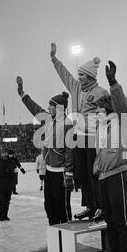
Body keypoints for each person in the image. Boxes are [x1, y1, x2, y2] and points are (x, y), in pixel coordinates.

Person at [50, 42, 108, 221]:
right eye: (79, 75)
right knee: (82, 174)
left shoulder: (101, 92)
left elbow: (109, 113)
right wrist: (54, 59)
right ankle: (90, 206)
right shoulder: (76, 88)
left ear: (90, 76)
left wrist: (101, 125)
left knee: (94, 173)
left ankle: (101, 206)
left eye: (81, 75)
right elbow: (65, 75)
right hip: (78, 138)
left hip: (93, 138)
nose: (79, 78)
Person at [92, 60, 127, 252]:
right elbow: (101, 154)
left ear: (107, 109)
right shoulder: (101, 128)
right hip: (104, 177)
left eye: (99, 110)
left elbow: (122, 106)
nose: (96, 113)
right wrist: (96, 167)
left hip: (118, 174)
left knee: (120, 218)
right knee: (109, 219)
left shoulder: (119, 121)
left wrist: (113, 82)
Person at [16, 77, 74, 225]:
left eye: (51, 106)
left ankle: (65, 239)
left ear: (59, 108)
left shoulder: (68, 124)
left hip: (61, 172)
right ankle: (55, 238)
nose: (48, 109)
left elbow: (70, 150)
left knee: (62, 208)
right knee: (49, 206)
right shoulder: (49, 119)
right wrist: (23, 94)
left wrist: (68, 173)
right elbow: (35, 108)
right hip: (49, 172)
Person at [0, 147, 16, 221]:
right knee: (1, 201)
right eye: (3, 153)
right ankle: (1, 216)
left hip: (9, 185)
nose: (4, 154)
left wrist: (12, 181)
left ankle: (5, 215)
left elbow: (14, 172)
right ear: (1, 154)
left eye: (5, 153)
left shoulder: (11, 162)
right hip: (1, 185)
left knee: (7, 200)